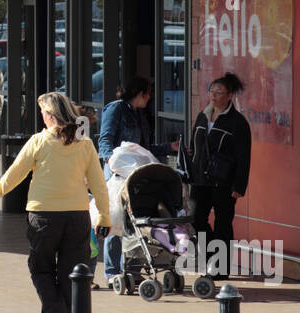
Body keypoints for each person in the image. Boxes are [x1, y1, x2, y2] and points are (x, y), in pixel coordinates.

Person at [0, 92, 109, 313]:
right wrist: (103, 215)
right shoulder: (85, 145)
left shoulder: (39, 142)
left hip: (44, 217)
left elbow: (13, 175)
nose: (41, 117)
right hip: (77, 216)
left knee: (40, 268)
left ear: (50, 116)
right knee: (72, 274)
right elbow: (99, 185)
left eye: (42, 113)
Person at [97, 76, 177, 286]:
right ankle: (112, 271)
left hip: (136, 172)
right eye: (148, 93)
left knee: (135, 219)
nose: (150, 98)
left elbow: (144, 148)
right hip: (116, 171)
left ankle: (132, 268)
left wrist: (170, 147)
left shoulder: (140, 115)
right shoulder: (115, 109)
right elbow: (105, 139)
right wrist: (111, 161)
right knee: (116, 218)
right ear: (140, 93)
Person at [186, 72, 251, 280]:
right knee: (196, 219)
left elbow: (244, 156)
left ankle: (221, 269)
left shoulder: (238, 122)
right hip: (200, 180)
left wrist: (239, 186)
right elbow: (195, 145)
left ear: (229, 95)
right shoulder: (203, 115)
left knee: (223, 224)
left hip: (224, 182)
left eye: (219, 92)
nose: (213, 96)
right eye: (211, 91)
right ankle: (214, 257)